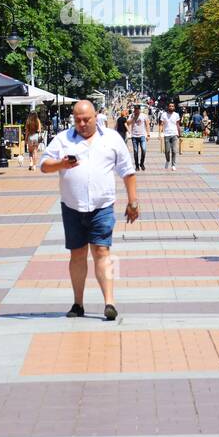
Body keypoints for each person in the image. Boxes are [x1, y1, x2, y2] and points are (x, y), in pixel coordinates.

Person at [40, 100, 138, 321]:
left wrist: (133, 201)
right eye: (78, 120)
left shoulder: (112, 138)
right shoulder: (63, 139)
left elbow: (127, 171)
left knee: (102, 251)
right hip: (72, 207)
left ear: (96, 117)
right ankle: (78, 303)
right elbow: (44, 165)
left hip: (102, 206)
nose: (82, 124)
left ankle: (109, 302)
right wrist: (61, 164)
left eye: (86, 119)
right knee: (77, 254)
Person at [160, 102, 181, 171]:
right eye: (170, 106)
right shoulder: (164, 115)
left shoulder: (176, 115)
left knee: (174, 151)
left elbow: (178, 124)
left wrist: (179, 133)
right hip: (167, 134)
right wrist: (160, 133)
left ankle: (173, 165)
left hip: (174, 134)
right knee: (167, 151)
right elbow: (161, 124)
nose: (171, 107)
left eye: (172, 106)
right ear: (168, 107)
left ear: (174, 107)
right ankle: (167, 160)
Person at [127, 105, 149, 172]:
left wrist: (148, 134)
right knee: (135, 152)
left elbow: (147, 124)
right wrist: (133, 118)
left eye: (137, 109)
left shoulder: (144, 115)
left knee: (144, 150)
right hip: (134, 136)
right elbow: (127, 123)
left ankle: (142, 163)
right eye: (135, 109)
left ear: (140, 109)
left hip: (142, 135)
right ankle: (137, 165)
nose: (136, 110)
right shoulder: (131, 115)